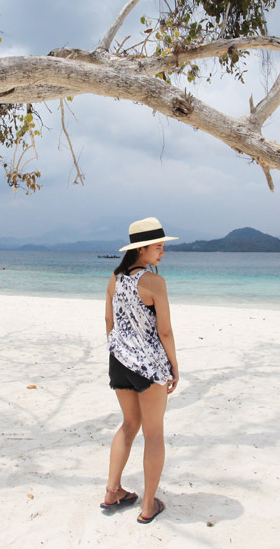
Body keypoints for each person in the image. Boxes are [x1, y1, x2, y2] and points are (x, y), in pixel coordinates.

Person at [100, 217, 179, 524]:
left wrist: (120, 350)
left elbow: (109, 323)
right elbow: (166, 332)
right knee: (154, 433)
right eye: (158, 247)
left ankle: (112, 491)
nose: (162, 252)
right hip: (149, 367)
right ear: (142, 249)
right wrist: (174, 365)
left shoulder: (114, 279)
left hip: (119, 362)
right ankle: (148, 505)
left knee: (129, 424)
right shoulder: (155, 283)